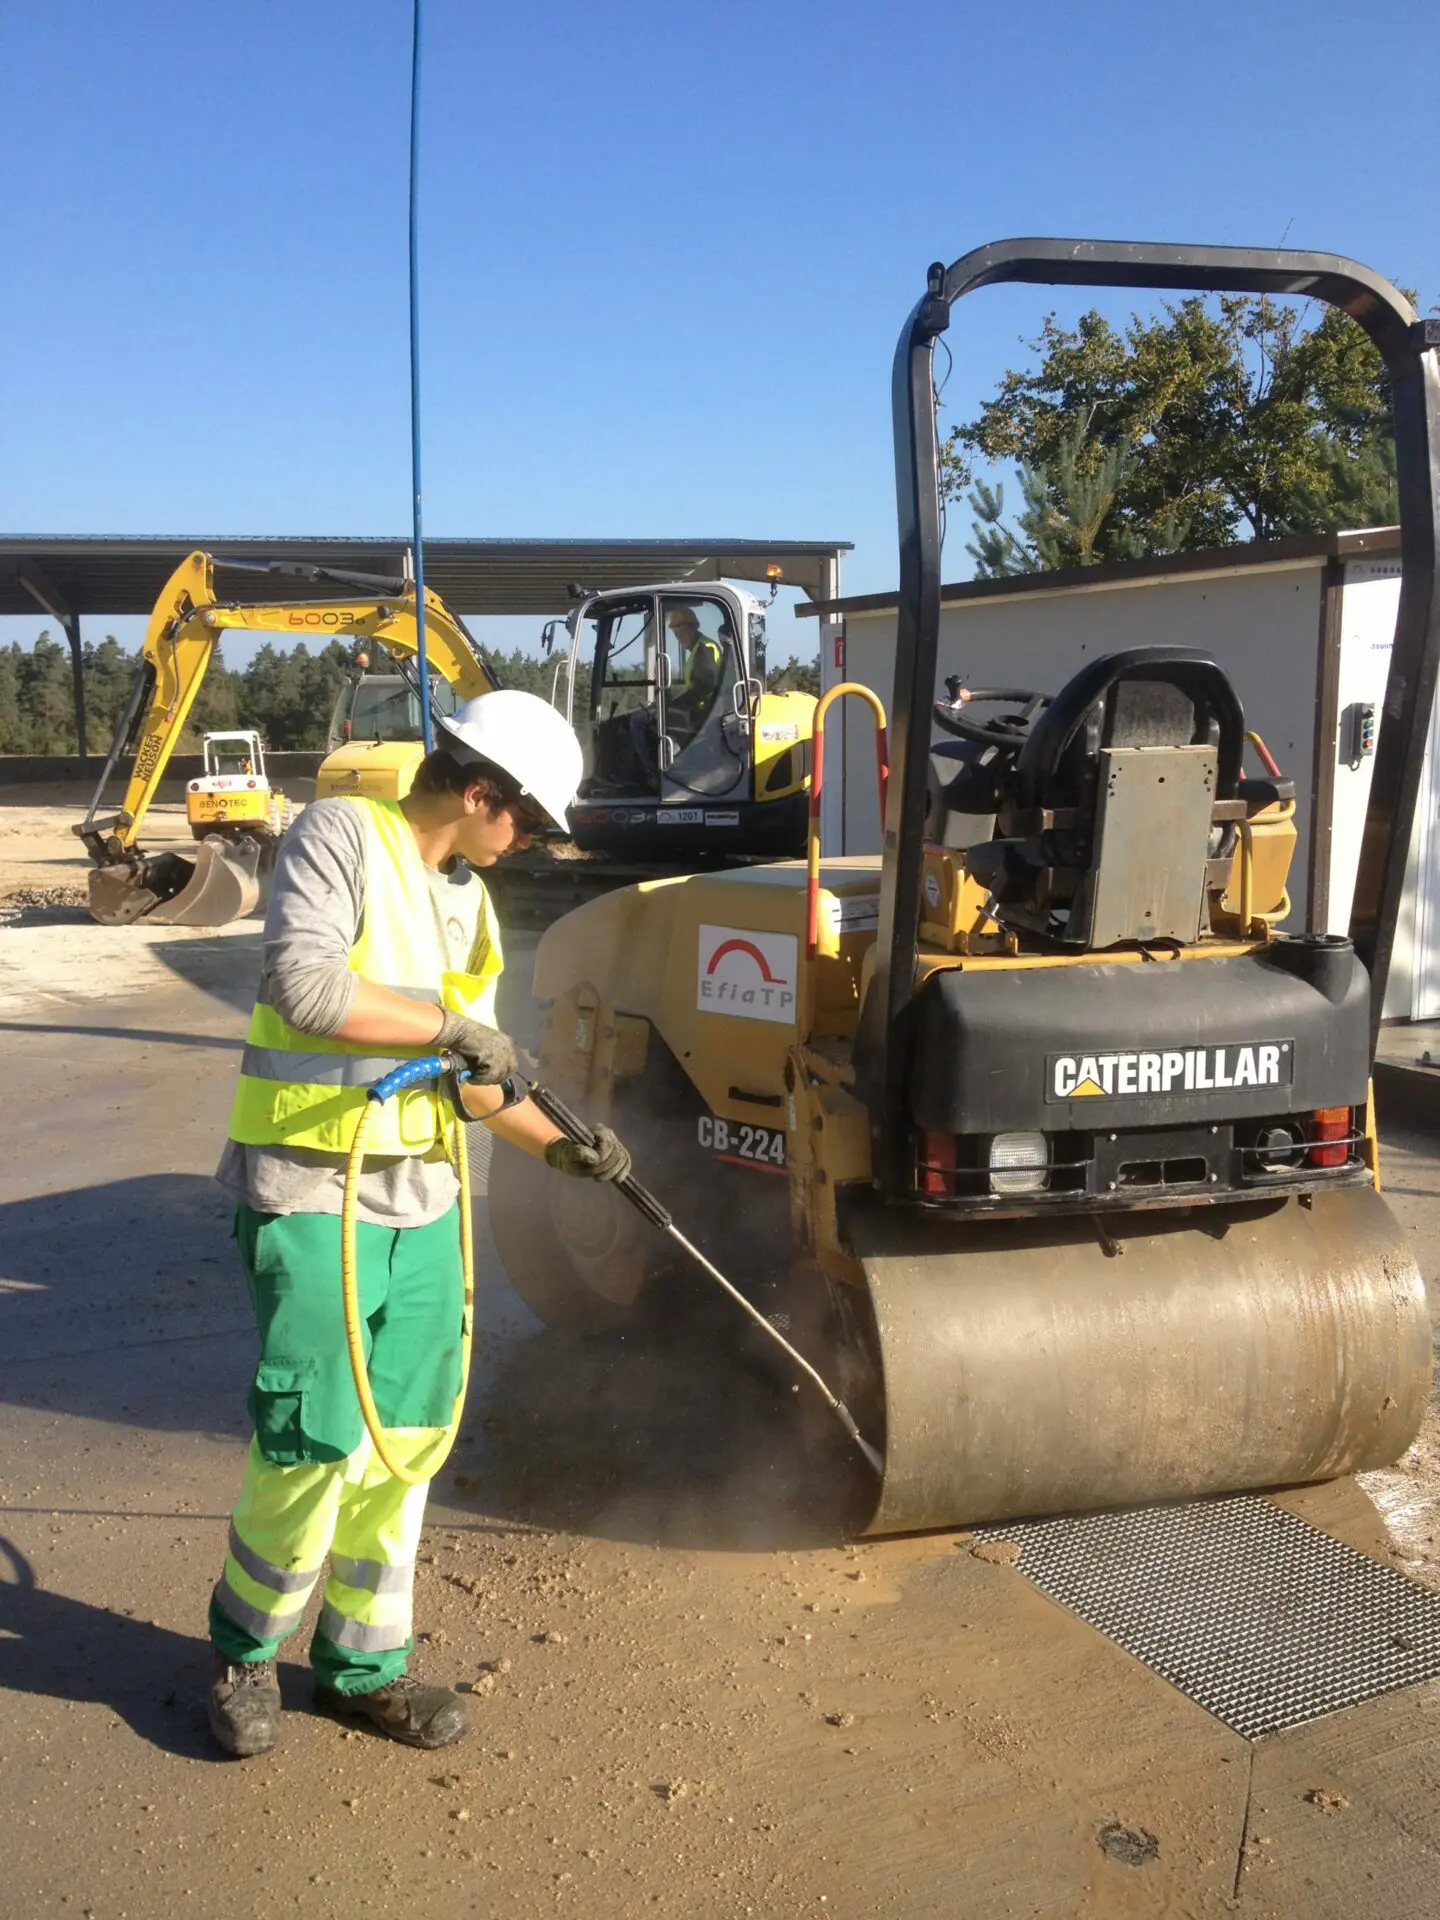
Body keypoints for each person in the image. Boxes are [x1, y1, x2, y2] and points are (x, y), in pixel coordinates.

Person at [205, 689, 632, 1758]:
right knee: (316, 1437)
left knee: (404, 1446)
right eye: (527, 822)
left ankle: (363, 1670)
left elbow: (475, 1078)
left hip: (423, 1203)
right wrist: (452, 1026)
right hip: (313, 1189)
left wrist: (565, 1148)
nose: (526, 843)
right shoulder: (338, 835)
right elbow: (305, 987)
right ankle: (246, 1650)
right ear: (484, 792)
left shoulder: (469, 905)